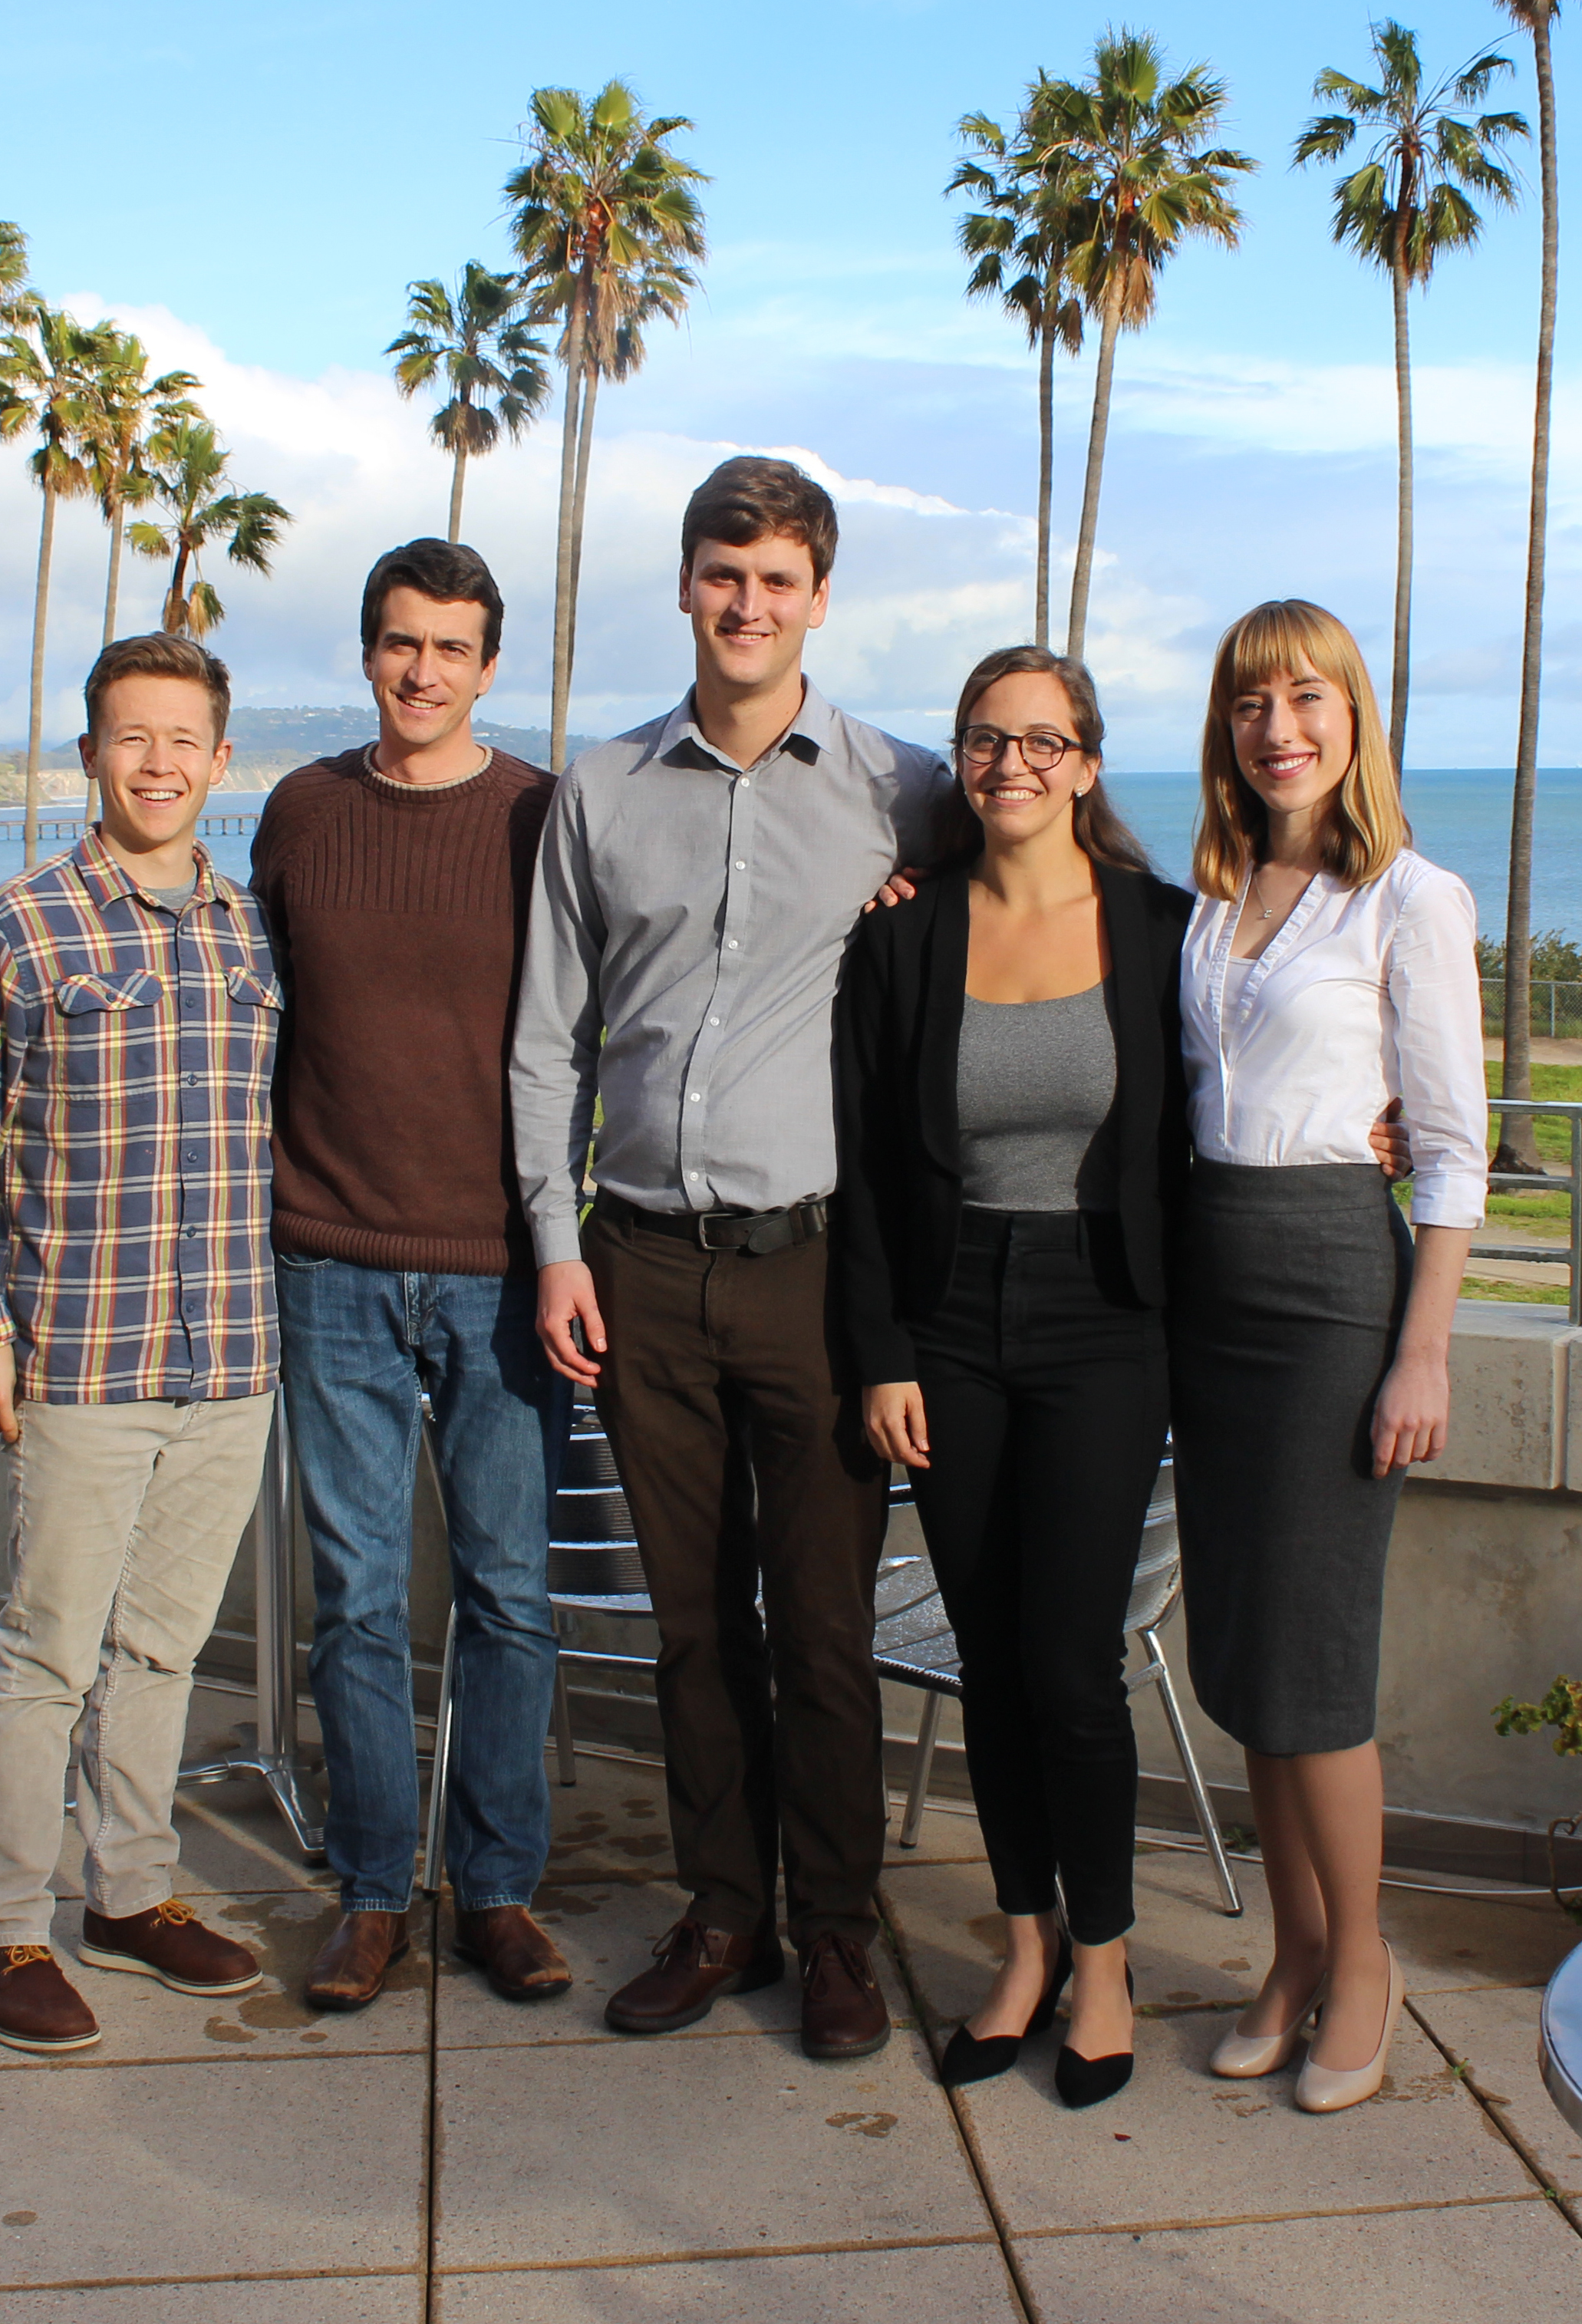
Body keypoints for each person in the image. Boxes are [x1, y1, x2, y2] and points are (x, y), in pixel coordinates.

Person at [511, 454, 945, 2062]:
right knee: (693, 1623)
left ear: (818, 598)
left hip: (821, 1275)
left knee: (824, 1627)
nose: (748, 604)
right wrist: (558, 1247)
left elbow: (1063, 918)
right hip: (638, 1266)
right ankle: (722, 1912)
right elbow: (546, 1039)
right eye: (722, 573)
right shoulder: (602, 788)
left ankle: (837, 1934)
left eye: (778, 579)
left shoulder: (909, 789)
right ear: (688, 584)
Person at [0, 632, 282, 2055]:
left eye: (185, 739)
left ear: (221, 761)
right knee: (47, 1652)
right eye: (133, 737)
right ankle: (5, 1927)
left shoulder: (245, 928)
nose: (160, 764)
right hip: (81, 1353)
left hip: (230, 1353)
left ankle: (131, 1896)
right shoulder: (18, 926)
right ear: (89, 756)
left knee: (167, 1650)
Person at [834, 644, 1185, 2108]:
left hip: (1107, 1317)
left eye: (1044, 743)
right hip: (952, 1318)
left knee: (1069, 1665)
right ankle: (1026, 1944)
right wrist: (883, 1354)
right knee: (988, 1661)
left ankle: (1104, 1959)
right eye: (986, 742)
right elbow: (859, 1164)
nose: (1013, 766)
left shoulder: (1165, 929)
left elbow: (1247, 1092)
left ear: (1087, 764)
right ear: (960, 764)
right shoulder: (904, 936)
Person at [1171, 598, 1485, 2114]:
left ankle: (1362, 1961)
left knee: (1316, 1669)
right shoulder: (1209, 897)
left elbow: (1451, 1154)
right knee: (1240, 1656)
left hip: (1327, 1300)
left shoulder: (1411, 900)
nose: (1277, 727)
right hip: (1209, 1298)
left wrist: (1419, 1354)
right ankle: (1288, 1959)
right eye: (1249, 704)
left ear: (1354, 721)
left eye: (1306, 699)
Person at [252, 539, 572, 2012]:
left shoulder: (542, 820)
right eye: (400, 643)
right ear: (367, 653)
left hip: (504, 1273)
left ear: (488, 666)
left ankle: (497, 1888)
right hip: (329, 1262)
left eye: (451, 647)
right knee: (355, 1598)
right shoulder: (301, 815)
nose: (423, 670)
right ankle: (378, 1890)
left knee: (508, 1596)